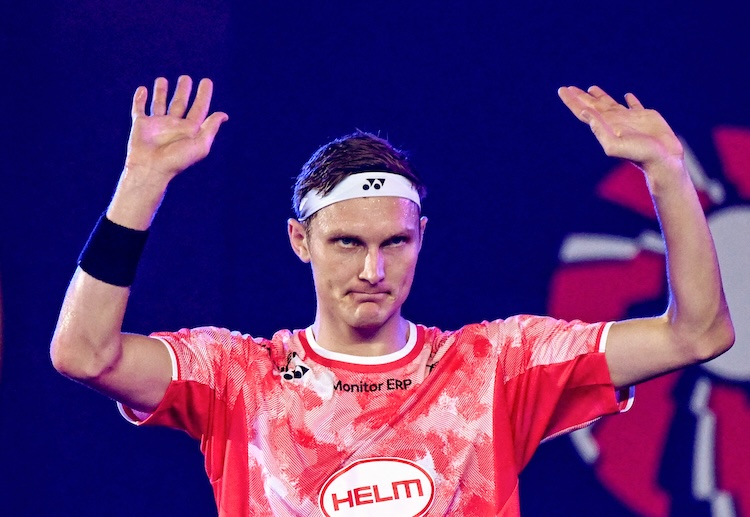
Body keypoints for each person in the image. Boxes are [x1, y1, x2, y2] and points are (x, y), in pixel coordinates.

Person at [51, 75, 734, 516]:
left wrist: (667, 173)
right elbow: (83, 353)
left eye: (395, 242)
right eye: (348, 242)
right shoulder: (239, 378)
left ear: (421, 236)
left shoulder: (496, 367)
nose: (373, 269)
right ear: (300, 240)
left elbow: (698, 334)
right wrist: (141, 183)